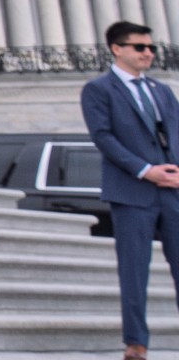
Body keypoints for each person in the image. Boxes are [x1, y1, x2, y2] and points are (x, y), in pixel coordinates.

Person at [87, 20, 179, 360]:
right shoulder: (99, 90)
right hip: (131, 192)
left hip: (173, 191)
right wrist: (146, 171)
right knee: (134, 270)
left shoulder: (162, 90)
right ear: (117, 48)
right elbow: (103, 137)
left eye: (151, 47)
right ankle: (136, 343)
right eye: (140, 47)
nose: (148, 53)